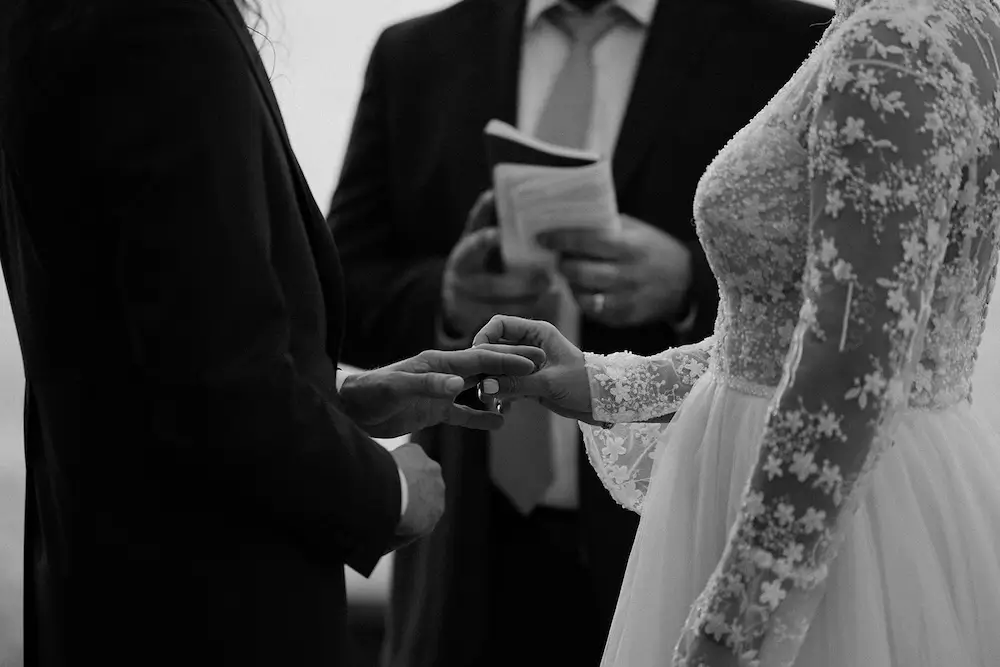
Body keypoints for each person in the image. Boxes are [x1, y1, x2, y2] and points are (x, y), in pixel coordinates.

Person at [0, 1, 544, 665]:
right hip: (204, 614)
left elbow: (149, 335)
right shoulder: (159, 25)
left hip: (109, 594)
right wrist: (389, 491)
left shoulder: (63, 19)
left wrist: (338, 392)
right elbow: (215, 384)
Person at [476, 0, 1000, 664]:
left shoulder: (890, 43)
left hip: (827, 536)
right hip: (849, 497)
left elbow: (850, 365)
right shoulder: (931, 22)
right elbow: (787, 333)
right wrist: (604, 383)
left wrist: (741, 617)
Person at [328, 0, 832, 664]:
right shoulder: (415, 53)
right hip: (460, 546)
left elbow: (844, 291)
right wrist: (444, 299)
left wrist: (689, 284)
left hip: (676, 543)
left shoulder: (785, 40)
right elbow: (336, 299)